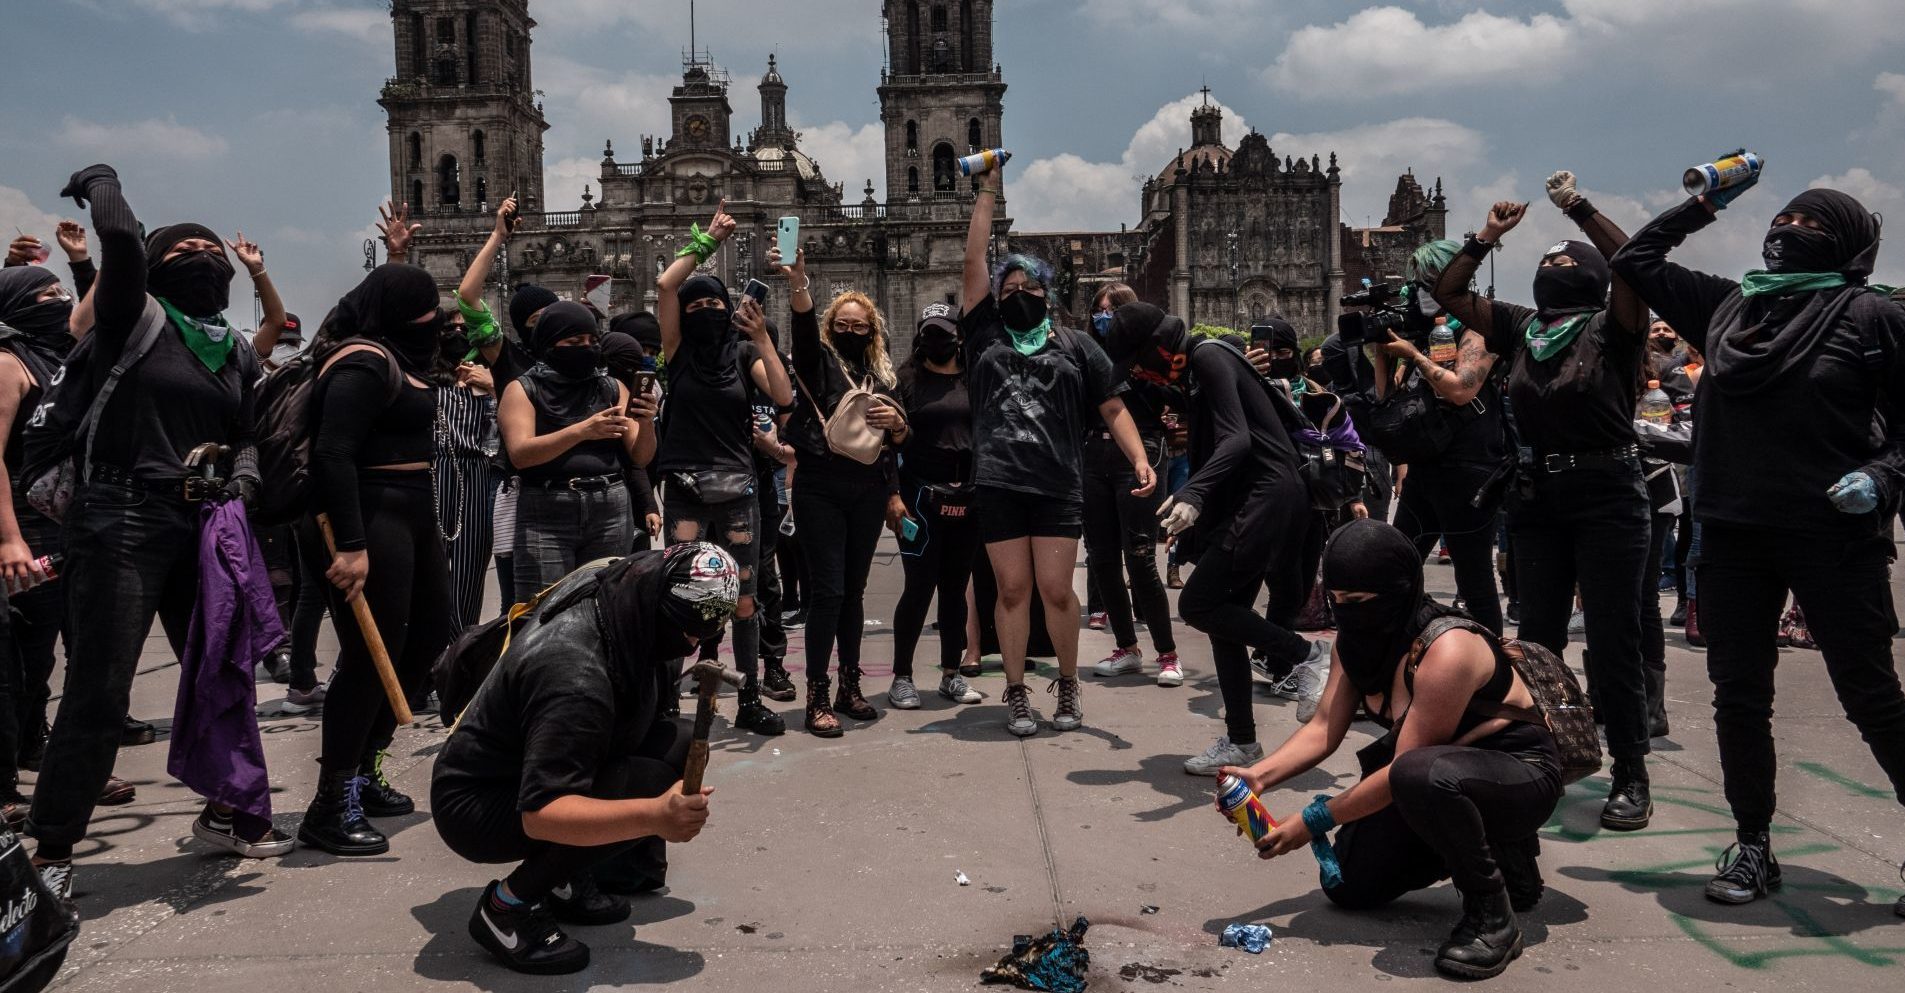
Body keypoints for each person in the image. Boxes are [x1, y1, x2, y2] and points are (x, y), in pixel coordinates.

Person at [1611, 178, 1905, 912]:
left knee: (1870, 695)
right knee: (1738, 698)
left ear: (1842, 243)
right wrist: (1704, 201)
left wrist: (1879, 474)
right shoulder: (1728, 306)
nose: (1787, 226)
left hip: (1832, 536)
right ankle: (1751, 844)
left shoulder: (1869, 315)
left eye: (1809, 220)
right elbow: (1637, 260)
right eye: (1782, 215)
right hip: (1734, 532)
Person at [26, 164, 277, 893]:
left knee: (221, 673)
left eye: (213, 255)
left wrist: (245, 478)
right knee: (100, 690)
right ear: (154, 270)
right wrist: (104, 183)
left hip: (202, 523)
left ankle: (229, 810)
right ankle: (53, 849)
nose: (203, 259)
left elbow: (251, 434)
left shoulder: (232, 350)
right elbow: (120, 244)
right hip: (120, 517)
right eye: (183, 253)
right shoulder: (133, 319)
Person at [1218, 520, 1562, 981]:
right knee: (1349, 885)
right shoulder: (1357, 644)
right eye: (1336, 602)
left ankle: (1493, 918)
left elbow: (1404, 767)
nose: (1346, 614)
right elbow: (1323, 728)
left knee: (1419, 775)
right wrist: (1257, 777)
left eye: (1358, 603)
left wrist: (1312, 821)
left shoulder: (1448, 649)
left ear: (1399, 589)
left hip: (1518, 774)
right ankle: (1493, 854)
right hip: (1434, 778)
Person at [1431, 175, 1655, 832]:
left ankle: (1630, 769)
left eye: (1565, 264)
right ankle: (1539, 760)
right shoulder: (1522, 328)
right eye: (1545, 262)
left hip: (1608, 496)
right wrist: (1486, 237)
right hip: (1536, 498)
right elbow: (1445, 292)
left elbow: (1634, 262)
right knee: (1536, 643)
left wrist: (1579, 209)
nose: (1553, 268)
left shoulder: (1614, 329)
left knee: (1614, 639)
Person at [431, 542, 734, 974]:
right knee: (647, 787)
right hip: (477, 803)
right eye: (689, 632)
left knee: (680, 744)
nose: (693, 644)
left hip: (526, 761)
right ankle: (506, 908)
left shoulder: (631, 581)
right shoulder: (577, 675)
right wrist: (653, 817)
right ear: (661, 603)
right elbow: (542, 814)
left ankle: (564, 879)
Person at [959, 159, 1156, 738]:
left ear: (1049, 293)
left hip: (1055, 483)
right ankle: (1016, 691)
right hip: (998, 480)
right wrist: (987, 192)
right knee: (1012, 590)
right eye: (1010, 288)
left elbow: (1113, 405)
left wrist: (1140, 458)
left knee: (1055, 591)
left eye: (1030, 287)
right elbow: (973, 260)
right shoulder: (985, 336)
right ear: (997, 297)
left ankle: (1067, 684)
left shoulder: (1075, 345)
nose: (1019, 294)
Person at [1098, 305, 1319, 775]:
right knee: (1224, 621)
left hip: (1266, 494)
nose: (1139, 373)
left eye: (1138, 362)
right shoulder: (1198, 371)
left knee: (1197, 605)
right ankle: (1242, 742)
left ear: (1160, 349)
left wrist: (1192, 495)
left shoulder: (1208, 358)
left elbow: (1237, 441)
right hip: (1253, 498)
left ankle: (1307, 658)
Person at [297, 264, 454, 855]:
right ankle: (329, 802)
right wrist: (353, 547)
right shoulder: (362, 360)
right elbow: (333, 454)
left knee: (427, 637)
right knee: (369, 656)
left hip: (412, 508)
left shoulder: (402, 357)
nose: (433, 321)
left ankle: (365, 769)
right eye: (423, 311)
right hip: (367, 513)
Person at [653, 203, 794, 736]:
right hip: (687, 490)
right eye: (699, 305)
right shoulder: (677, 351)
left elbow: (782, 396)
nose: (707, 310)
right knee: (679, 595)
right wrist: (707, 241)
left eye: (717, 302)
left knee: (745, 598)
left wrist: (760, 338)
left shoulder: (740, 354)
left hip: (739, 490)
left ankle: (750, 698)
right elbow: (667, 286)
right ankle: (668, 701)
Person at [766, 244, 901, 737]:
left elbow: (893, 443)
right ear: (830, 328)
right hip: (820, 487)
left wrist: (893, 489)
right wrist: (798, 281)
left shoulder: (881, 376)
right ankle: (817, 695)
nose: (850, 331)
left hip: (866, 489)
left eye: (859, 325)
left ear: (873, 332)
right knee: (828, 592)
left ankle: (849, 686)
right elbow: (802, 328)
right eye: (841, 324)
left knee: (855, 593)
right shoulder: (817, 361)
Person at [1361, 240, 1507, 636]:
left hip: (1469, 469)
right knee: (1397, 565)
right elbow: (1388, 401)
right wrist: (1382, 355)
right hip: (1426, 466)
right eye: (1416, 282)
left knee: (1474, 578)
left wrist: (1415, 355)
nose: (1420, 290)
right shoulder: (1423, 332)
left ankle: (1491, 668)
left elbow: (1461, 389)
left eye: (1429, 280)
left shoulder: (1481, 327)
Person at [0, 263, 81, 827]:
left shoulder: (58, 362)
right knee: (17, 663)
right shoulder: (8, 365)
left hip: (61, 524)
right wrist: (9, 538)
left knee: (45, 653)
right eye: (45, 294)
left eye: (62, 290)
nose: (60, 301)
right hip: (23, 528)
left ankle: (36, 752)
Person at [500, 302, 650, 601]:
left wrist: (646, 422)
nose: (586, 348)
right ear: (549, 343)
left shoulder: (610, 387)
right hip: (547, 507)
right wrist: (582, 431)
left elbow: (641, 455)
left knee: (604, 604)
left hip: (609, 506)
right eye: (574, 342)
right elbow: (520, 453)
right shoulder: (522, 389)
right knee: (542, 608)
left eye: (593, 341)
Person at [1083, 284, 1181, 687]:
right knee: (1101, 556)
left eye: (1110, 311)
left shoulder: (1150, 360)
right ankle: (1127, 646)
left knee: (1140, 554)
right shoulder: (1088, 355)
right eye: (1097, 311)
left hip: (1142, 453)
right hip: (1093, 455)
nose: (1103, 318)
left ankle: (1167, 654)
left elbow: (1175, 398)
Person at [888, 304, 984, 709]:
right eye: (929, 333)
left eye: (944, 332)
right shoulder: (905, 379)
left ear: (958, 337)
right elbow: (885, 443)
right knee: (918, 587)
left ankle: (951, 673)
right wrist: (892, 496)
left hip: (968, 498)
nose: (936, 340)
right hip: (920, 500)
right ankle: (902, 677)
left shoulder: (974, 377)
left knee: (955, 590)